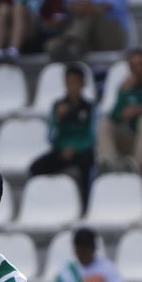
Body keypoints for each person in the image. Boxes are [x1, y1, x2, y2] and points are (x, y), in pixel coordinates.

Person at [28, 62, 95, 198]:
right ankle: (42, 199)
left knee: (86, 165)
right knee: (36, 167)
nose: (72, 86)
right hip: (61, 151)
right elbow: (51, 137)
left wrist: (75, 148)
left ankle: (85, 203)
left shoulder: (90, 108)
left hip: (82, 151)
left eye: (75, 82)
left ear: (82, 84)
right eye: (69, 82)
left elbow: (92, 137)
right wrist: (58, 120)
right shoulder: (58, 106)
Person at [54, 226, 126, 282]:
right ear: (75, 248)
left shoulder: (107, 267)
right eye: (80, 248)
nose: (84, 252)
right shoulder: (67, 271)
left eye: (86, 248)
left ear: (94, 248)